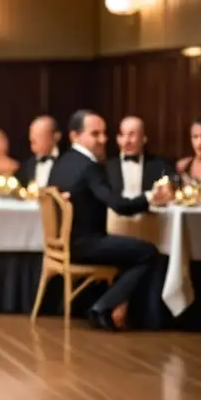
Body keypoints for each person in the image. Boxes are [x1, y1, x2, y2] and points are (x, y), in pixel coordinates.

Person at [47, 110, 171, 330]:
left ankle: (109, 307)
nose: (103, 140)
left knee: (131, 248)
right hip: (86, 245)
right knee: (149, 252)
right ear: (75, 136)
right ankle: (102, 306)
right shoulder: (90, 167)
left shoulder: (61, 163)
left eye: (104, 134)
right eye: (95, 134)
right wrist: (151, 196)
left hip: (62, 245)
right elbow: (120, 206)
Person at [105, 116, 172, 199]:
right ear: (117, 139)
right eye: (122, 135)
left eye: (131, 134)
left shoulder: (160, 166)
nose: (126, 141)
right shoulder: (106, 167)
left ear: (143, 138)